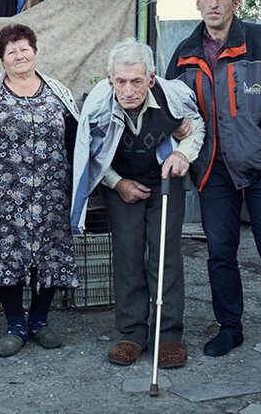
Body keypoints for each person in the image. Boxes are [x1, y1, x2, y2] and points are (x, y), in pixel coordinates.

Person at [166, 0, 261, 365]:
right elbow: (173, 106)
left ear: (235, 2)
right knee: (220, 254)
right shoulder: (183, 53)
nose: (214, 3)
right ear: (197, 2)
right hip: (214, 171)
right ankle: (230, 328)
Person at [71, 38, 205, 368]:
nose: (129, 90)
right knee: (128, 254)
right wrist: (117, 183)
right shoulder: (99, 106)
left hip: (164, 180)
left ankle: (169, 335)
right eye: (121, 81)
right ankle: (132, 333)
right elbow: (87, 155)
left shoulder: (172, 97)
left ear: (151, 78)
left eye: (136, 81)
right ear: (109, 79)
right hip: (122, 184)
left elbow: (197, 125)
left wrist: (181, 153)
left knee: (165, 255)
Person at [0, 23, 79, 358]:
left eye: (24, 48)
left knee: (49, 253)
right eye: (11, 51)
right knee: (5, 253)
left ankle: (39, 321)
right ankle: (15, 325)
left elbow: (76, 141)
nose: (19, 55)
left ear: (35, 52)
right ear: (2, 59)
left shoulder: (59, 94)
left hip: (51, 194)